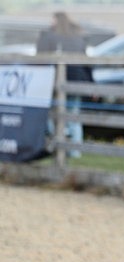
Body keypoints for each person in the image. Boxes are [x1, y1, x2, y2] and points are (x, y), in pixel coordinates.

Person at [36, 11, 93, 157]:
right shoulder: (78, 37)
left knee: (51, 115)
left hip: (56, 81)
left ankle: (57, 143)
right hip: (77, 81)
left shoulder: (50, 36)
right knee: (73, 115)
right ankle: (74, 151)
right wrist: (91, 84)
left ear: (57, 21)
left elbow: (40, 57)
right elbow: (86, 63)